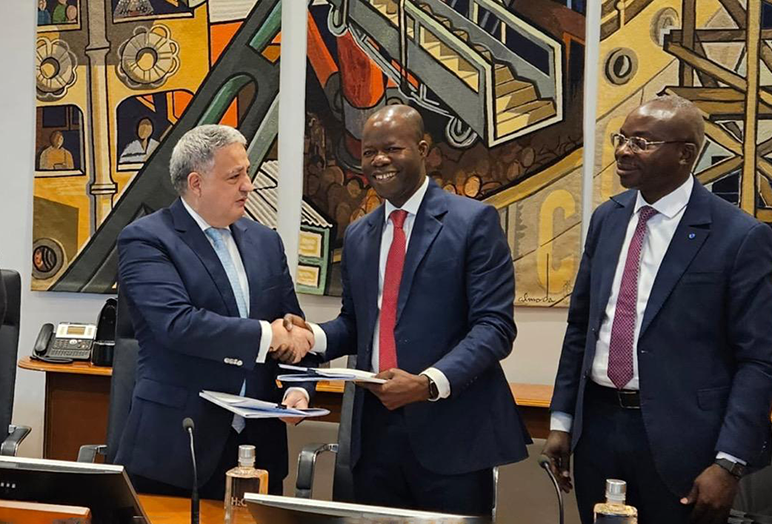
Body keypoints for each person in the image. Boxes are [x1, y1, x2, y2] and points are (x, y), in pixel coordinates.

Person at [542, 95, 772, 524]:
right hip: (597, 429)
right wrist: (562, 420)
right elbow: (581, 327)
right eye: (622, 139)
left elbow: (759, 361)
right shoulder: (607, 219)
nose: (623, 150)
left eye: (641, 142)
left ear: (685, 154)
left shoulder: (739, 236)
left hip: (686, 445)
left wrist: (729, 463)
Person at [285, 105, 530, 516]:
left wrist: (428, 383)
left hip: (450, 430)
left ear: (424, 150)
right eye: (369, 152)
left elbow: (494, 327)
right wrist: (311, 336)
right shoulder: (360, 233)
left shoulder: (473, 222)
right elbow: (356, 324)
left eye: (392, 149)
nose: (379, 160)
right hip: (375, 435)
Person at [115, 124, 316, 499]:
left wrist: (298, 389)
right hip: (178, 447)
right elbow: (177, 324)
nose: (248, 186)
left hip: (260, 448)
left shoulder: (266, 242)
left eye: (247, 172)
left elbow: (293, 327)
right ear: (196, 183)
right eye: (234, 176)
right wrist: (268, 335)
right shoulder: (146, 239)